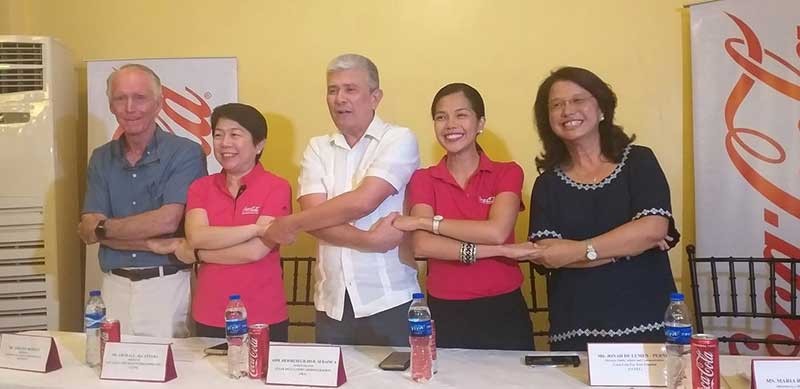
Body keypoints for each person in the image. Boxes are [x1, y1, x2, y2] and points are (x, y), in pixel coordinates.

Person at [262, 54, 420, 346]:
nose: (339, 99)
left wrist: (291, 223)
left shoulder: (398, 139)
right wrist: (371, 240)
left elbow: (363, 201)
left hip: (388, 297)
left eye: (350, 89)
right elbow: (315, 218)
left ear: (375, 97)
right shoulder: (318, 147)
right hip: (331, 302)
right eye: (332, 90)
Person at [526, 66, 680, 351]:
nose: (567, 110)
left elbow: (653, 229)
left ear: (601, 109)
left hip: (647, 324)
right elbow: (547, 254)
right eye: (556, 105)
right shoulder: (547, 184)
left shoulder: (639, 162)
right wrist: (627, 246)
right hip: (575, 328)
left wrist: (576, 251)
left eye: (578, 100)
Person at [392, 83, 535, 350]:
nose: (450, 125)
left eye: (461, 115)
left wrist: (427, 222)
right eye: (441, 117)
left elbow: (496, 231)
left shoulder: (507, 173)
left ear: (480, 122)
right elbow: (423, 246)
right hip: (446, 308)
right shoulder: (424, 179)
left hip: (503, 305)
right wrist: (500, 251)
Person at [78, 64, 207, 338]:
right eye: (120, 98)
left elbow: (167, 220)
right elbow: (89, 228)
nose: (129, 107)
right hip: (112, 287)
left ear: (158, 104)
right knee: (110, 372)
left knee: (171, 376)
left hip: (166, 287)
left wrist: (105, 229)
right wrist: (149, 240)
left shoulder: (186, 153)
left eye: (140, 97)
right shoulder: (100, 158)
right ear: (111, 105)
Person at [173, 103, 291, 341]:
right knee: (208, 378)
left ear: (259, 145)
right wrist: (255, 228)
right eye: (218, 135)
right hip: (210, 312)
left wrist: (198, 254)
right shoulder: (201, 188)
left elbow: (255, 251)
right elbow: (197, 236)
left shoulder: (277, 187)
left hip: (262, 313)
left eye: (235, 134)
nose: (224, 143)